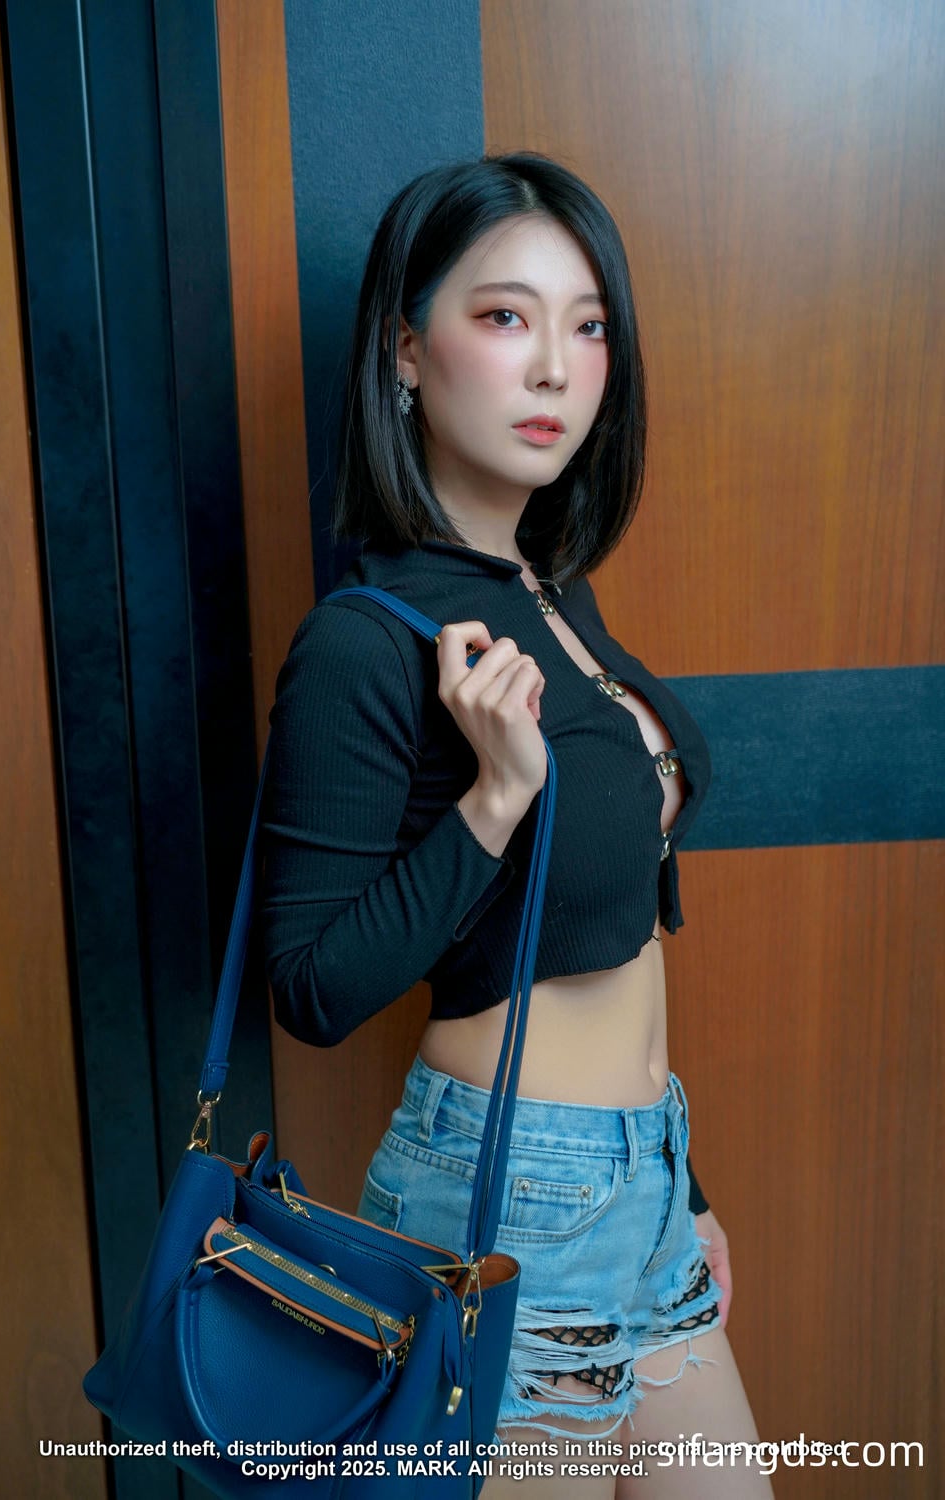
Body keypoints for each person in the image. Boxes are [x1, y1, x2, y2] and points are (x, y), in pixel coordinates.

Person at [260, 153, 772, 1498]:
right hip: (505, 1205)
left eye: (588, 326)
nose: (555, 366)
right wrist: (493, 800)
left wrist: (680, 1187)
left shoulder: (554, 594)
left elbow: (611, 934)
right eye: (505, 316)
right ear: (405, 352)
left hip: (643, 1181)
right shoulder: (366, 642)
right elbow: (309, 990)